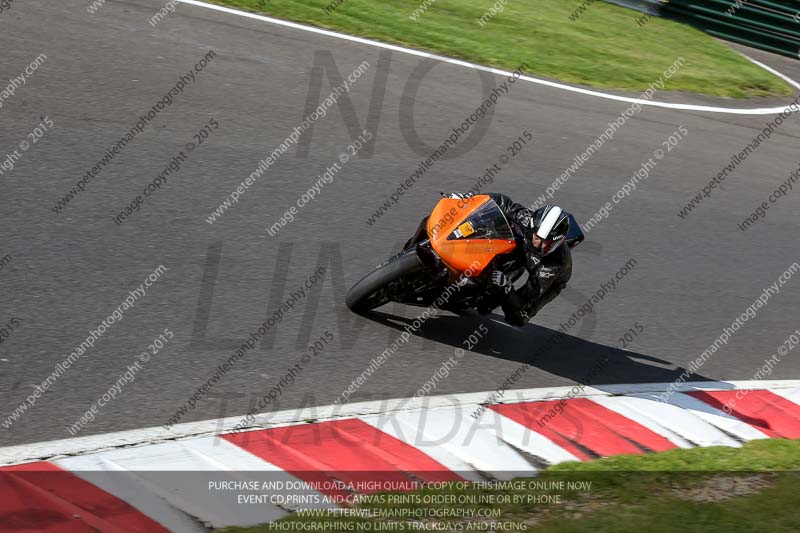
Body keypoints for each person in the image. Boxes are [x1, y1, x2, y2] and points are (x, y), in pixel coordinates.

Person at [447, 192, 573, 326]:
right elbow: (501, 203)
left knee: (518, 317)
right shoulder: (526, 219)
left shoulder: (553, 266)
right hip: (521, 248)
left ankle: (492, 297)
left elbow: (526, 298)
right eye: (537, 238)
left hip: (548, 276)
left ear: (559, 242)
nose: (540, 246)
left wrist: (507, 287)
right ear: (532, 227)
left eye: (547, 243)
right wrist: (468, 199)